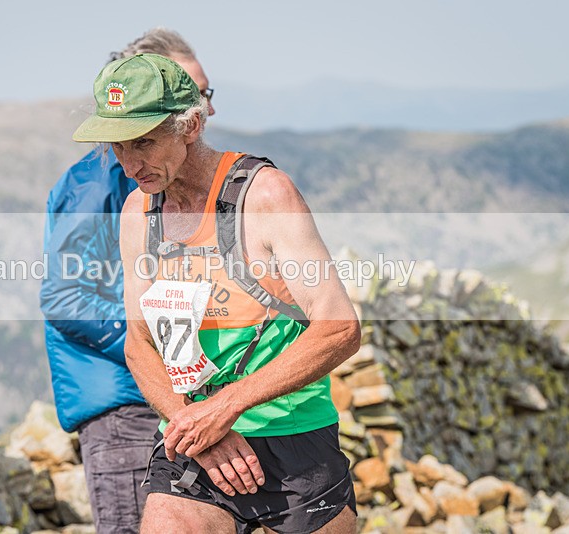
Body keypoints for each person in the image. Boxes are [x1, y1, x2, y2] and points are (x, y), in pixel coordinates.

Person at [72, 54, 361, 533]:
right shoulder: (136, 213)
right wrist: (195, 426)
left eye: (143, 142)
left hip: (292, 441)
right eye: (117, 146)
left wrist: (225, 408)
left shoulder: (265, 197)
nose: (129, 163)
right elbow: (139, 344)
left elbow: (339, 328)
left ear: (190, 125)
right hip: (193, 444)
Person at [40, 29, 215, 534]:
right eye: (193, 92)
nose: (204, 110)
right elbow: (65, 294)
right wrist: (159, 351)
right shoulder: (101, 180)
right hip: (126, 408)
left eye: (207, 94)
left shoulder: (165, 175)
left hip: (168, 399)